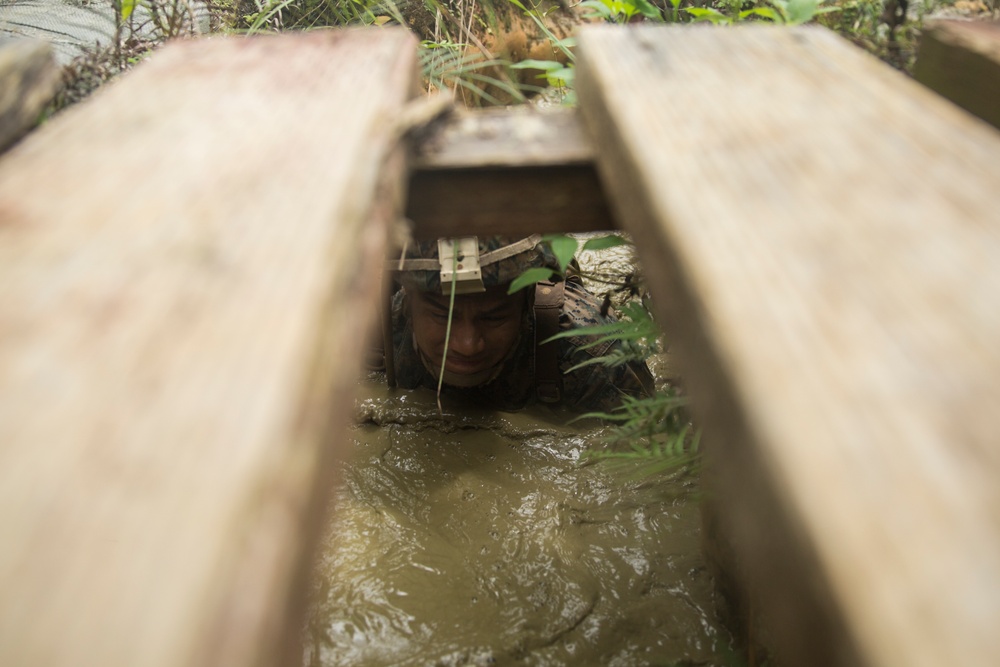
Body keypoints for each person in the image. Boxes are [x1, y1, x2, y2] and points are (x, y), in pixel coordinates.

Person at [379, 234, 655, 412]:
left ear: (525, 301)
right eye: (442, 316)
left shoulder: (597, 355)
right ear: (408, 301)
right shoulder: (376, 334)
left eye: (493, 317)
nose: (467, 345)